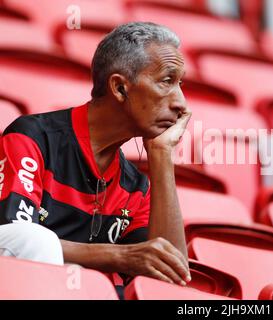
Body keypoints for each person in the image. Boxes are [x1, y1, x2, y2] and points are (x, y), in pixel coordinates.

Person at [0, 22, 192, 287]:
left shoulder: (137, 188)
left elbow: (171, 280)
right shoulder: (33, 137)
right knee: (31, 238)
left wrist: (161, 156)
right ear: (120, 88)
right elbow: (14, 242)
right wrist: (118, 256)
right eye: (167, 81)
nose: (181, 103)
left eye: (180, 84)